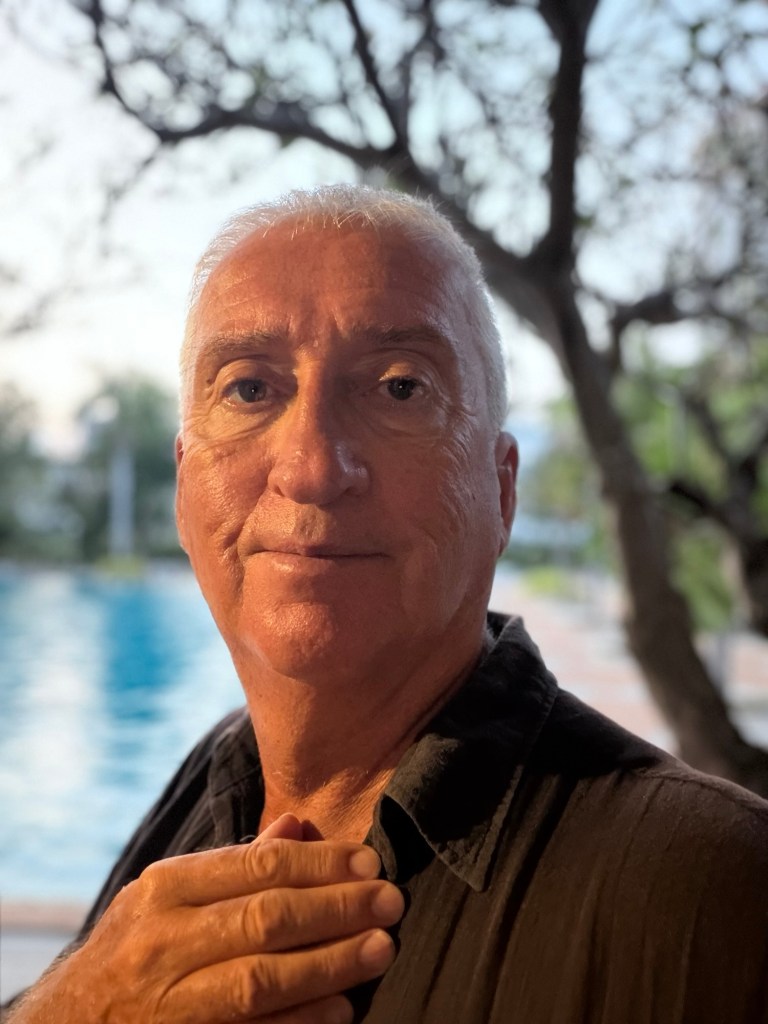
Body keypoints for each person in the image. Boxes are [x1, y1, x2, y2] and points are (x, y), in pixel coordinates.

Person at [5, 185, 768, 1024]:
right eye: (249, 389)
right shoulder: (209, 779)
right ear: (187, 488)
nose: (311, 469)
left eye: (401, 388)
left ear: (501, 491)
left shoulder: (712, 891)